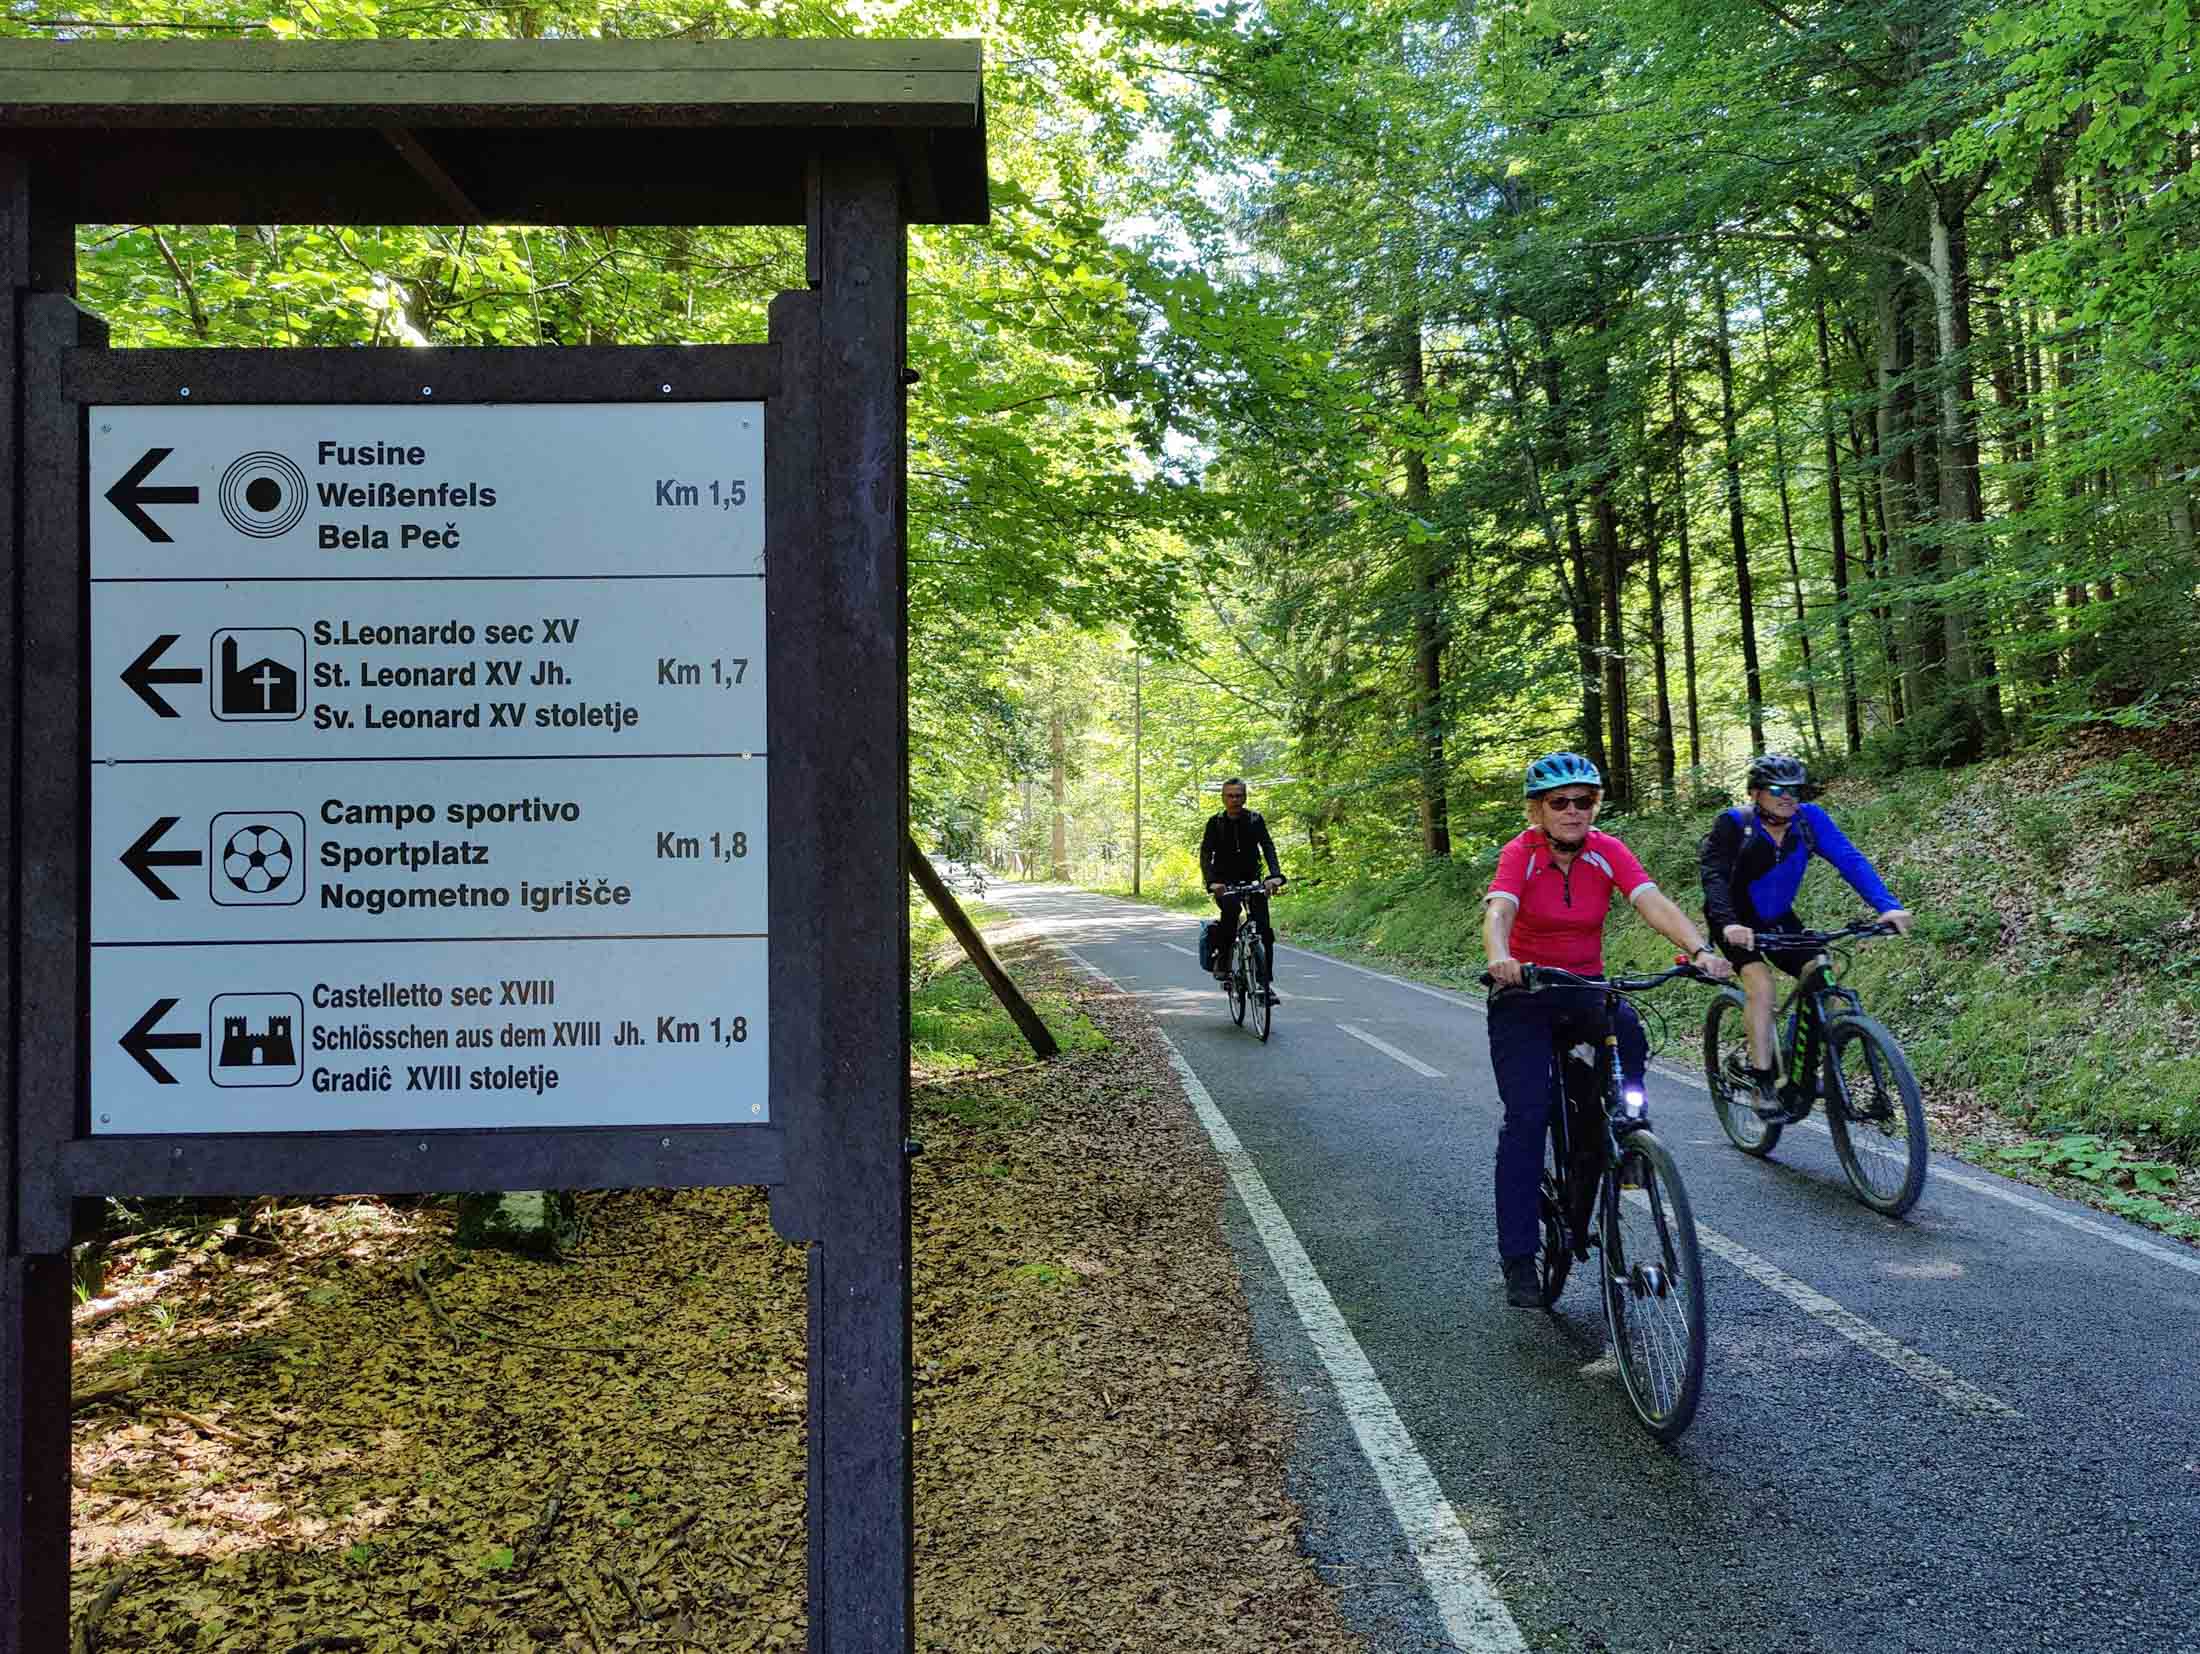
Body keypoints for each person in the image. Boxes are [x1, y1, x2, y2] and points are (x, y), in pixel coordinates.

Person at [1483, 752, 1731, 1308]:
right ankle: (1519, 1256)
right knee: (1527, 1117)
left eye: (1585, 800)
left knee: (1630, 1032)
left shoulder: (1607, 850)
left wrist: (1699, 950)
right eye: (1560, 802)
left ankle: (1625, 1127)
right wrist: (1501, 956)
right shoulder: (1521, 853)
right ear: (1538, 810)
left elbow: (1651, 901)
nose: (1573, 810)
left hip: (1584, 988)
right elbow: (1500, 909)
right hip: (1525, 993)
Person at [1699, 753, 1913, 1118]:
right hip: (1733, 920)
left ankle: (1799, 1063)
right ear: (1755, 793)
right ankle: (1763, 1080)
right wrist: (1729, 923)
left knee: (1823, 974)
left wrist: (1887, 906)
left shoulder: (1809, 821)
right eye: (1777, 789)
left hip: (1779, 917)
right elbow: (1714, 876)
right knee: (1761, 985)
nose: (1787, 796)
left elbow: (1850, 860)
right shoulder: (1735, 824)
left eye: (1795, 789)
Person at [1202, 778, 1285, 1005]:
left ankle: (1265, 984)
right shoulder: (1215, 823)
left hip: (1252, 880)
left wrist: (1275, 876)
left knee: (1264, 930)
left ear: (1245, 797)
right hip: (1224, 883)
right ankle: (1224, 961)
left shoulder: (1255, 819)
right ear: (1223, 798)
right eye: (1230, 795)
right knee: (1230, 915)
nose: (1234, 800)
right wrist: (1211, 883)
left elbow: (1267, 847)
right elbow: (1206, 854)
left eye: (1238, 795)